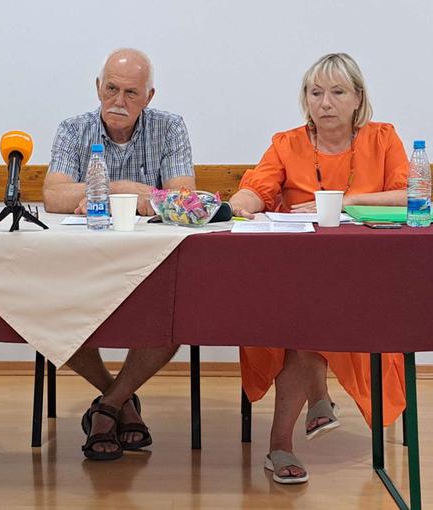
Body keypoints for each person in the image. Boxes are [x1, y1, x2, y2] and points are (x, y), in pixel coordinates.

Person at [229, 52, 407, 484]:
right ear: (305, 99)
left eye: (337, 92)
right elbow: (256, 188)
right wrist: (237, 208)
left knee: (305, 321)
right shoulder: (287, 143)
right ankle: (313, 408)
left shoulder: (383, 139)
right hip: (299, 275)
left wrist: (342, 202)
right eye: (315, 92)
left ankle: (283, 442)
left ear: (357, 98)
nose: (324, 102)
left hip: (365, 278)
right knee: (303, 314)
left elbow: (409, 198)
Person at [43, 48, 196, 460]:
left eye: (132, 92)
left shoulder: (170, 128)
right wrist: (123, 191)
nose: (119, 101)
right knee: (47, 314)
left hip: (151, 267)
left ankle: (108, 406)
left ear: (149, 96)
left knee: (174, 319)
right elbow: (54, 195)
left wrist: (100, 192)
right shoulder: (73, 129)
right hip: (81, 265)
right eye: (111, 88)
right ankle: (121, 401)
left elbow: (182, 199)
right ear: (98, 87)